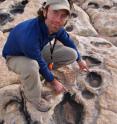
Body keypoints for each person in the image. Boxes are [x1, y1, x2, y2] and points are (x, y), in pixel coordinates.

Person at [2, 0, 88, 112]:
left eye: (63, 16)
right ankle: (33, 97)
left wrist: (80, 60)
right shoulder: (30, 37)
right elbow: (39, 62)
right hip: (14, 57)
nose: (58, 20)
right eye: (55, 13)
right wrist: (53, 81)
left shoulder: (56, 28)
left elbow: (68, 42)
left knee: (72, 54)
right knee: (32, 66)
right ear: (45, 12)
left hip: (35, 52)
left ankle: (38, 75)